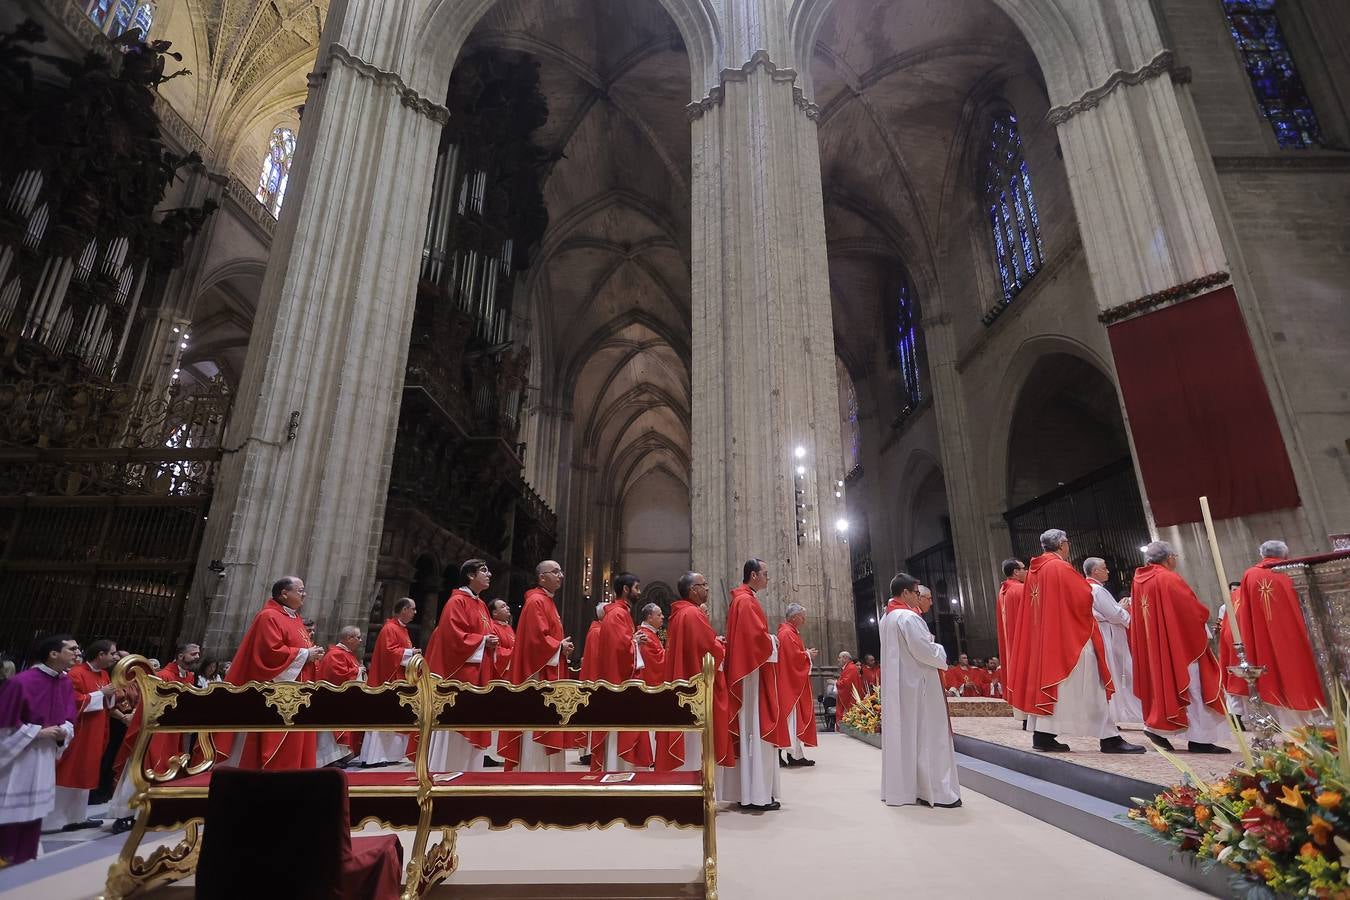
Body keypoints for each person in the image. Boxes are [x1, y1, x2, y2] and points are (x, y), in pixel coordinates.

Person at [1009, 529, 1143, 754]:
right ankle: (1109, 738)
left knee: (1056, 688)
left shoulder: (1036, 569)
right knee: (1093, 684)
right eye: (1067, 543)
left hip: (1051, 637)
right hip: (1071, 638)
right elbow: (1083, 597)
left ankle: (1043, 735)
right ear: (1062, 545)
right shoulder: (1059, 567)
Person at [1129, 541, 1229, 754]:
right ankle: (1199, 740)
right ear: (1169, 558)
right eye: (1174, 555)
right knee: (1193, 686)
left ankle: (1156, 728)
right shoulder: (1168, 578)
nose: (1175, 559)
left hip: (1155, 644)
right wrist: (1204, 612)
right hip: (1179, 645)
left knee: (1164, 685)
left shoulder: (1139, 580)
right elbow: (1191, 610)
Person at [879, 575, 960, 808]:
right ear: (905, 593)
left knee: (906, 736)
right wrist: (940, 650)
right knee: (928, 734)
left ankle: (905, 788)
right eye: (916, 592)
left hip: (901, 687)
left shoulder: (887, 617)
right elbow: (924, 650)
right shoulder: (908, 617)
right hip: (919, 686)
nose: (919, 597)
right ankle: (936, 790)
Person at [226, 576, 324, 769]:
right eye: (300, 590)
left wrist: (312, 653)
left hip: (299, 691)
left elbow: (300, 647)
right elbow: (269, 652)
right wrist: (306, 653)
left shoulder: (294, 618)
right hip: (279, 694)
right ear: (284, 593)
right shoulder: (269, 616)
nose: (305, 594)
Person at [0, 635, 78, 865]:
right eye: (71, 649)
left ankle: (24, 852)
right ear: (53, 654)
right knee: (10, 802)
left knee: (35, 805)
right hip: (18, 755)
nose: (76, 653)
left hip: (44, 755)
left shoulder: (65, 682)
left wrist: (64, 729)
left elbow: (69, 717)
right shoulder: (21, 682)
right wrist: (37, 733)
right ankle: (5, 851)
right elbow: (3, 726)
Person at [1233, 540, 1326, 729]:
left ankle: (1289, 730)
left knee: (1273, 676)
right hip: (1296, 637)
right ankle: (1314, 726)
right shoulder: (1291, 572)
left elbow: (1245, 612)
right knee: (1302, 676)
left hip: (1263, 638)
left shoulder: (1250, 575)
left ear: (1262, 555)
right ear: (1285, 554)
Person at [719, 558, 785, 812]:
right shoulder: (746, 601)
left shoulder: (744, 599)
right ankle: (756, 794)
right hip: (752, 676)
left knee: (751, 731)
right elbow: (754, 640)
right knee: (755, 730)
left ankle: (749, 791)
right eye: (766, 573)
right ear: (754, 575)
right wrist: (773, 641)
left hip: (750, 674)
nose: (769, 578)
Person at [499, 561, 574, 772]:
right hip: (539, 677)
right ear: (542, 577)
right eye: (556, 572)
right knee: (538, 725)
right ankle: (534, 773)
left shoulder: (547, 601)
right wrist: (558, 646)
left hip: (549, 670)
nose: (561, 575)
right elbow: (536, 641)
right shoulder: (535, 602)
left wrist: (561, 648)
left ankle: (550, 775)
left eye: (561, 571)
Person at [425, 560, 499, 772]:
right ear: (470, 575)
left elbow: (486, 634)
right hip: (460, 677)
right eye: (484, 570)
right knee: (457, 726)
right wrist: (484, 641)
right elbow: (453, 639)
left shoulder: (481, 604)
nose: (489, 574)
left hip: (478, 674)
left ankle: (470, 774)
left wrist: (490, 642)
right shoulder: (456, 602)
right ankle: (444, 772)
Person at [655, 572, 729, 772]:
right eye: (703, 584)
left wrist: (713, 641)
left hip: (683, 681)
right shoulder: (693, 614)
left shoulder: (681, 613)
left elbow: (697, 644)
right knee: (695, 744)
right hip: (694, 690)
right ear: (693, 590)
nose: (707, 587)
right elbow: (706, 648)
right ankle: (694, 784)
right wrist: (720, 646)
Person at [45, 639, 118, 832]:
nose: (115, 657)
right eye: (112, 653)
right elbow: (72, 701)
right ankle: (55, 820)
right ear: (100, 654)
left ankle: (77, 818)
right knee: (70, 770)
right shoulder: (77, 673)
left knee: (86, 771)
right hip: (81, 731)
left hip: (96, 729)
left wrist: (110, 695)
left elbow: (108, 701)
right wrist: (100, 693)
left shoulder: (103, 674)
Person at [588, 574, 650, 771]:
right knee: (619, 730)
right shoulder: (617, 614)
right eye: (637, 588)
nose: (639, 592)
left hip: (621, 679)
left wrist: (633, 640)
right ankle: (617, 771)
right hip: (618, 682)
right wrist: (635, 642)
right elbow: (618, 649)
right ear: (625, 589)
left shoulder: (621, 612)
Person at [357, 598, 419, 768]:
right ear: (404, 609)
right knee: (383, 719)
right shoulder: (390, 628)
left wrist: (411, 653)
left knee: (394, 719)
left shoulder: (401, 629)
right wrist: (409, 652)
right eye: (413, 609)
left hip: (399, 680)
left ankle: (389, 755)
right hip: (387, 681)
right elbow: (389, 653)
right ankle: (374, 757)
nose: (415, 612)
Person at [1084, 558, 1142, 725]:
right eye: (1104, 568)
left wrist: (1118, 609)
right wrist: (1123, 609)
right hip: (1108, 635)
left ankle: (1118, 713)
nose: (1108, 571)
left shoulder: (1090, 587)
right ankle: (1122, 713)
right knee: (1119, 672)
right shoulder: (1096, 589)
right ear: (1095, 571)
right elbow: (1113, 615)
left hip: (1105, 631)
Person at [773, 604, 818, 768]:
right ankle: (781, 755)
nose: (804, 619)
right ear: (793, 617)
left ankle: (795, 756)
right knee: (789, 720)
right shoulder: (786, 633)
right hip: (789, 685)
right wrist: (807, 654)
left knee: (793, 721)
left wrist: (805, 653)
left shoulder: (791, 633)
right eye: (802, 616)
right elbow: (791, 658)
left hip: (793, 683)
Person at [316, 626, 365, 767]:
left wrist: (358, 671)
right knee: (329, 733)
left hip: (341, 700)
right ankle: (329, 759)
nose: (360, 640)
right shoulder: (335, 654)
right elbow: (339, 675)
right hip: (331, 700)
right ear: (349, 638)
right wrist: (357, 670)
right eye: (358, 637)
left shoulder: (346, 653)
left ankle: (340, 756)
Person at [481, 599, 516, 767]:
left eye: (506, 605)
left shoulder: (508, 627)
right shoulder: (492, 627)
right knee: (493, 715)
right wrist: (516, 654)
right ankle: (488, 753)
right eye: (503, 606)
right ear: (494, 613)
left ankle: (498, 752)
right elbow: (497, 652)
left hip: (509, 678)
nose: (507, 608)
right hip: (497, 678)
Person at [997, 558, 1026, 708]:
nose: (1026, 571)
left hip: (1011, 642)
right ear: (1015, 572)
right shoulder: (1021, 589)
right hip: (1023, 642)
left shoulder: (1003, 590)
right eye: (1023, 568)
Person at [835, 651, 864, 726]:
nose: (838, 660)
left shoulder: (851, 668)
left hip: (850, 699)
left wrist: (835, 683)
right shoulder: (848, 668)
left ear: (845, 658)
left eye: (839, 658)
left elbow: (846, 683)